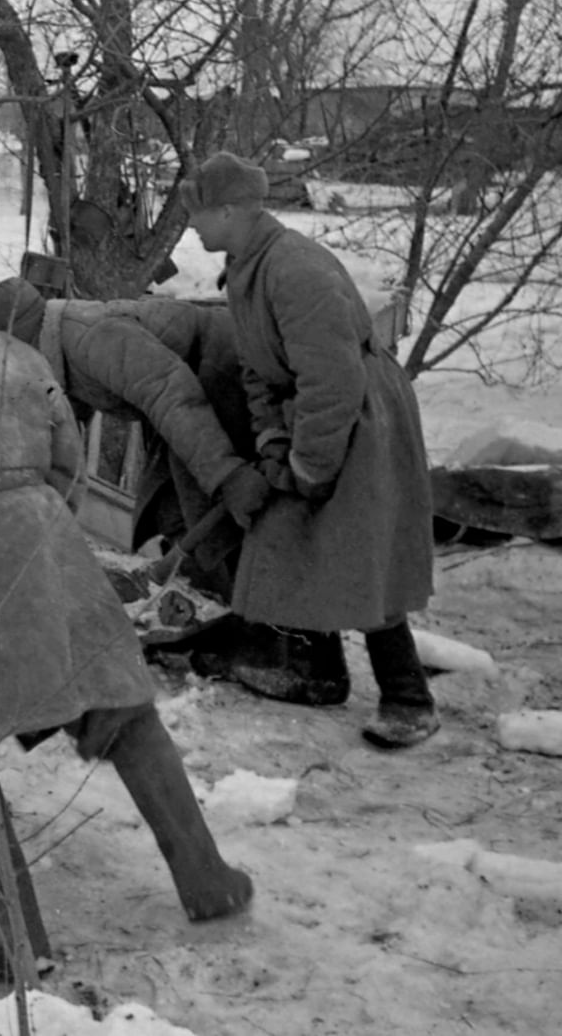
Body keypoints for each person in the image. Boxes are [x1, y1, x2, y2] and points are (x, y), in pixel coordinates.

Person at [0, 238, 253, 982]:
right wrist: (38, 526)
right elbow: (69, 467)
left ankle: (6, 936)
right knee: (120, 707)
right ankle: (207, 879)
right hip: (47, 542)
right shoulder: (19, 358)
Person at [185, 152, 440, 748]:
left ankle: (409, 697)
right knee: (289, 531)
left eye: (197, 212)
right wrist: (274, 441)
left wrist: (309, 463)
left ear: (229, 209)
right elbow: (257, 373)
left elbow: (332, 380)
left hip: (357, 414)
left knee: (357, 545)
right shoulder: (248, 266)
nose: (191, 226)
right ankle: (318, 671)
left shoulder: (293, 268)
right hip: (314, 410)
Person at [0, 278, 262, 599]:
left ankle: (240, 616)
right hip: (187, 401)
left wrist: (226, 474)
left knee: (209, 519)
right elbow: (58, 439)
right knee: (169, 513)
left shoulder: (92, 338)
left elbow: (173, 395)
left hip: (222, 373)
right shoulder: (57, 353)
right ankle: (204, 601)